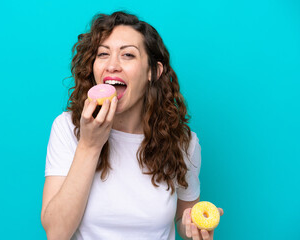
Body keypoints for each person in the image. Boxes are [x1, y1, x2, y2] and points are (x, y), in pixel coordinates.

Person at [41, 11, 223, 240]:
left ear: (152, 72)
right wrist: (89, 145)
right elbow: (56, 233)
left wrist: (191, 228)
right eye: (103, 54)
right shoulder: (68, 128)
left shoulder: (182, 143)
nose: (112, 65)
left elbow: (183, 219)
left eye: (128, 55)